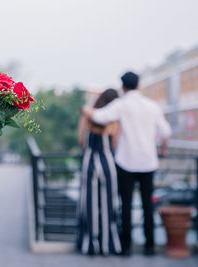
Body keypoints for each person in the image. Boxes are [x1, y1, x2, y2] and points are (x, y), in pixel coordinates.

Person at [82, 72, 171, 256]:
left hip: (126, 161)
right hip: (148, 161)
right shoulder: (152, 106)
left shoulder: (121, 105)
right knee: (148, 205)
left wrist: (85, 109)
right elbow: (166, 132)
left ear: (122, 87)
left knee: (126, 205)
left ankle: (126, 245)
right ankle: (150, 246)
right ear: (138, 85)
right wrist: (163, 149)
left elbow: (99, 117)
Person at [77, 88, 122, 256]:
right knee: (109, 203)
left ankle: (90, 244)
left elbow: (81, 139)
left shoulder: (88, 114)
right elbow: (115, 142)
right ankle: (107, 244)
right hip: (107, 161)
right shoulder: (114, 118)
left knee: (89, 203)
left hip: (89, 159)